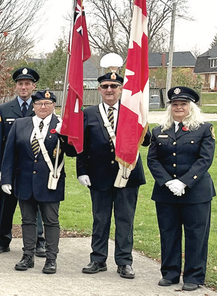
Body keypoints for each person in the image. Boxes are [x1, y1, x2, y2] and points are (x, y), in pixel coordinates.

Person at [77, 72, 147, 279]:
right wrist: (82, 170)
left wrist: (142, 119)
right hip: (99, 175)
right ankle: (98, 259)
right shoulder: (88, 113)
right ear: (99, 89)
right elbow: (82, 146)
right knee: (100, 219)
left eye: (114, 86)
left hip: (128, 174)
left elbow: (146, 140)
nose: (109, 90)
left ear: (121, 89)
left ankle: (124, 262)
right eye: (105, 86)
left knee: (125, 219)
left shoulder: (131, 112)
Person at [0, 90, 78, 274]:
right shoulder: (20, 124)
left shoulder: (61, 125)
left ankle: (51, 258)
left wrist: (65, 136)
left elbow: (73, 152)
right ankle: (28, 256)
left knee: (51, 221)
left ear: (53, 106)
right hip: (24, 181)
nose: (43, 107)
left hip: (50, 181)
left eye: (47, 103)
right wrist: (6, 178)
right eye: (39, 104)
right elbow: (9, 153)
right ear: (33, 106)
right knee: (27, 221)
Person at [146, 86, 215, 291]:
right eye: (175, 104)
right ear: (170, 108)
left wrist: (184, 181)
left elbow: (205, 159)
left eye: (183, 104)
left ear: (190, 107)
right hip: (166, 192)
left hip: (196, 192)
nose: (178, 107)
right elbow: (153, 160)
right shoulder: (159, 130)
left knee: (195, 234)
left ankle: (194, 276)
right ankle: (170, 273)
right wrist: (167, 182)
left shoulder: (204, 128)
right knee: (168, 232)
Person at [0, 67, 47, 256]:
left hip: (34, 167)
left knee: (35, 204)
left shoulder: (41, 109)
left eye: (27, 84)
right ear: (16, 87)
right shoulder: (4, 110)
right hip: (10, 168)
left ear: (33, 86)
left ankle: (38, 241)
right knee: (7, 205)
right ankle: (3, 240)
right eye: (20, 84)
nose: (24, 87)